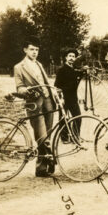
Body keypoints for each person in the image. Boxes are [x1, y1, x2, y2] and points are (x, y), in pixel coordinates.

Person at [14, 41, 55, 177]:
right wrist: (27, 91)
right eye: (32, 49)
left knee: (47, 134)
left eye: (37, 49)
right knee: (42, 135)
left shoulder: (39, 64)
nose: (35, 52)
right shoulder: (19, 67)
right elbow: (19, 88)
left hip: (48, 101)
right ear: (25, 49)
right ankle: (50, 159)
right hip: (34, 104)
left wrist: (53, 92)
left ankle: (41, 168)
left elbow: (46, 82)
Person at [54, 48, 84, 142]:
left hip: (73, 98)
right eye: (70, 56)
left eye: (73, 56)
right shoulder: (61, 70)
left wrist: (83, 72)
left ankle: (75, 136)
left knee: (77, 117)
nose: (71, 58)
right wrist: (60, 98)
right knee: (63, 118)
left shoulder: (74, 70)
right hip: (64, 97)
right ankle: (64, 138)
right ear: (66, 57)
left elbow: (77, 83)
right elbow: (57, 86)